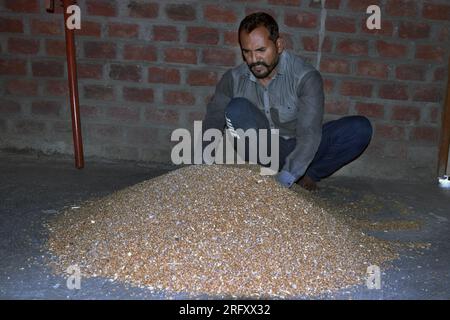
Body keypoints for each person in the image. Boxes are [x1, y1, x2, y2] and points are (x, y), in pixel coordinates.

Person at [202, 12, 372, 190]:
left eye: (261, 50)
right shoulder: (233, 79)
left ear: (279, 45)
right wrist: (201, 169)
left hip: (299, 146)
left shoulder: (304, 77)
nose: (253, 60)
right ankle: (264, 172)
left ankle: (307, 175)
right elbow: (212, 123)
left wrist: (283, 183)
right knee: (236, 108)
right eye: (247, 52)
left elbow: (309, 134)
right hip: (262, 150)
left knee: (359, 128)